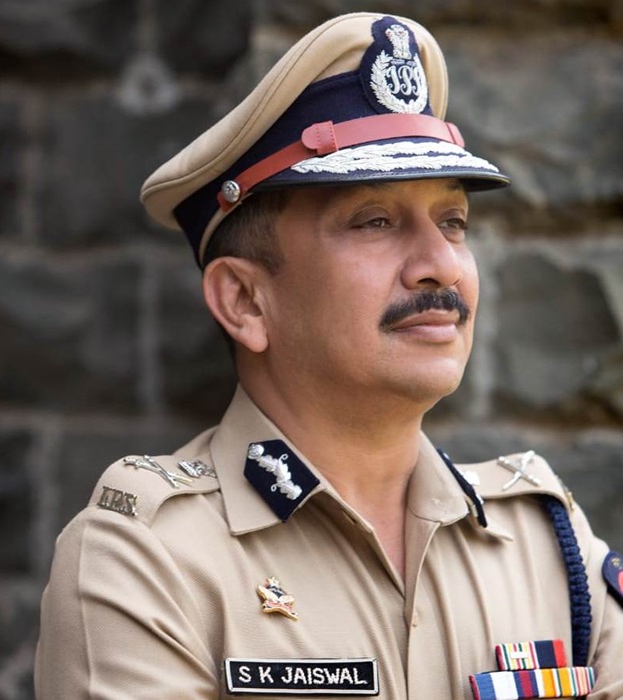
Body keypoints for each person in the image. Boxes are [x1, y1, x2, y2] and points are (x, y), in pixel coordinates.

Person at [34, 12, 623, 699]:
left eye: (453, 221)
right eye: (374, 221)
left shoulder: (551, 547)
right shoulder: (147, 560)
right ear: (245, 301)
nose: (440, 264)